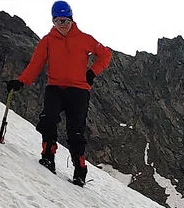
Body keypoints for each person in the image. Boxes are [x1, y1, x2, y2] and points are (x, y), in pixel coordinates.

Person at [6, 1, 112, 186]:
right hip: (55, 87)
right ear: (53, 21)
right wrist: (21, 81)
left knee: (75, 131)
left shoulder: (84, 39)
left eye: (65, 20)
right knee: (48, 119)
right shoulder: (47, 41)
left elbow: (105, 54)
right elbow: (36, 64)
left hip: (78, 91)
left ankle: (80, 170)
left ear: (71, 19)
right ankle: (48, 156)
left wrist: (92, 72)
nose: (62, 24)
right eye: (58, 21)